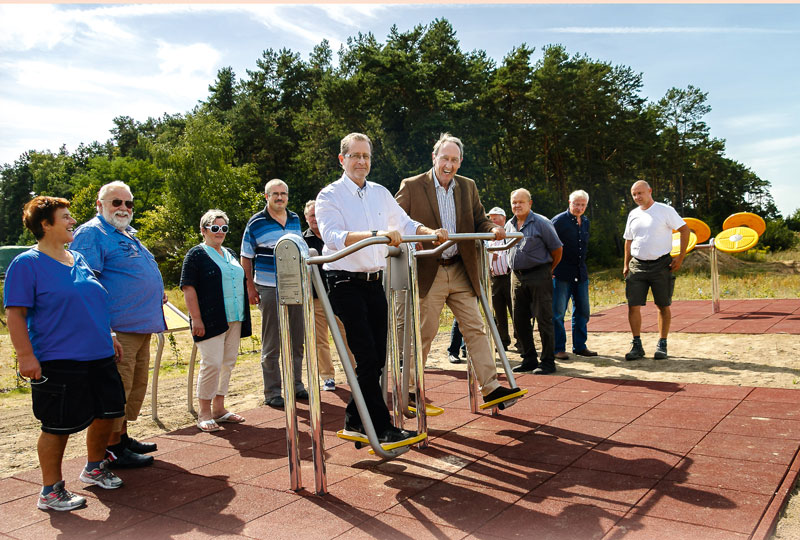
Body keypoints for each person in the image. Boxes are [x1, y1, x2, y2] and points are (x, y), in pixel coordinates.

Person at [315, 132, 446, 443]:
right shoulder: (329, 196)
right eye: (356, 156)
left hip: (375, 282)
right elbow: (331, 237)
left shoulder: (380, 193)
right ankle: (382, 427)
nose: (362, 161)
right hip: (344, 281)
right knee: (367, 356)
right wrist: (377, 234)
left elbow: (405, 223)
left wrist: (430, 232)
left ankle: (354, 419)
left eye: (367, 156)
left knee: (377, 357)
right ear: (342, 159)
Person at [4, 196, 126, 511]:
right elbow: (15, 315)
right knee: (57, 426)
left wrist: (109, 335)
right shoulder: (26, 264)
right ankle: (51, 491)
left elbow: (93, 301)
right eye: (66, 217)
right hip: (59, 359)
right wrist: (25, 356)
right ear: (45, 224)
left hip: (98, 354)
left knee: (107, 413)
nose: (73, 221)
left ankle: (95, 467)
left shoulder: (77, 259)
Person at [396, 133, 522, 408]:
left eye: (454, 160)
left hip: (460, 269)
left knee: (476, 328)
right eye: (444, 159)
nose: (448, 165)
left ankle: (490, 388)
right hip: (429, 270)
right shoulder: (413, 185)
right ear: (434, 158)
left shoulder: (467, 186)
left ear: (460, 161)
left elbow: (479, 219)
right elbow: (394, 219)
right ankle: (409, 391)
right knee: (424, 333)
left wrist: (493, 230)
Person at [71, 181, 166, 468]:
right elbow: (87, 285)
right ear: (99, 205)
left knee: (132, 388)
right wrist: (105, 329)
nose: (124, 208)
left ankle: (121, 438)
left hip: (140, 327)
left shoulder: (126, 233)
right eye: (116, 202)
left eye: (129, 203)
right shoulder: (92, 233)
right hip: (118, 329)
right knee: (115, 392)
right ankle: (111, 449)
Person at [180, 210, 252, 432]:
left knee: (227, 363)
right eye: (215, 228)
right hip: (210, 319)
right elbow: (188, 287)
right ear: (203, 230)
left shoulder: (229, 253)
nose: (220, 232)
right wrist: (196, 319)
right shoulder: (196, 254)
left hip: (235, 317)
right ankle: (204, 411)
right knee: (211, 363)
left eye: (224, 228)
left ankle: (219, 408)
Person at [241, 179, 308, 408]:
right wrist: (250, 287)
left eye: (283, 193)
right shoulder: (256, 222)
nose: (280, 197)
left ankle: (296, 384)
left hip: (295, 286)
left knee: (297, 339)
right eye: (275, 194)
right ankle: (272, 391)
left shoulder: (295, 219)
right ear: (266, 196)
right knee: (272, 342)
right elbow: (246, 256)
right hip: (268, 287)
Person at [623, 180, 689, 360]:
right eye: (634, 194)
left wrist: (680, 257)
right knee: (633, 305)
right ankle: (637, 345)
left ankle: (662, 344)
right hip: (637, 265)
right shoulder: (633, 214)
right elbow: (628, 240)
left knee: (663, 305)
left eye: (640, 193)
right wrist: (625, 264)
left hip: (661, 264)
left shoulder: (665, 210)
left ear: (650, 191)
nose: (637, 197)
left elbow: (685, 230)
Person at [506, 188, 563, 374]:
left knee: (543, 319)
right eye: (514, 202)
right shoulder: (509, 225)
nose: (517, 205)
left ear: (530, 203)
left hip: (539, 275)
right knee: (519, 319)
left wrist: (548, 270)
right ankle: (529, 358)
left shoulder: (541, 222)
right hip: (516, 276)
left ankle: (547, 361)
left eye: (521, 202)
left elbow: (557, 250)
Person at [302, 199, 355, 392]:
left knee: (346, 334)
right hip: (315, 297)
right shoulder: (303, 241)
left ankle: (354, 371)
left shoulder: (334, 235)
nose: (315, 219)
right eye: (311, 216)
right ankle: (327, 377)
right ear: (306, 218)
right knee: (320, 339)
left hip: (338, 293)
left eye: (318, 214)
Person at [551, 190, 597, 359]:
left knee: (583, 311)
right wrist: (550, 269)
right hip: (561, 273)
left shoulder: (585, 221)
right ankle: (558, 348)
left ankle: (580, 346)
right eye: (576, 204)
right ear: (569, 202)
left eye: (583, 205)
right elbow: (547, 244)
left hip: (580, 273)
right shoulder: (558, 221)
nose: (579, 208)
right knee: (558, 313)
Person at [487, 207, 514, 351]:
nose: (492, 220)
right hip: (495, 279)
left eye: (495, 218)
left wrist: (500, 255)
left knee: (515, 311)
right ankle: (503, 341)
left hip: (509, 277)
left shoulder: (509, 233)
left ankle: (521, 341)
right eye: (490, 218)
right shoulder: (488, 237)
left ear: (503, 218)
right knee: (499, 313)